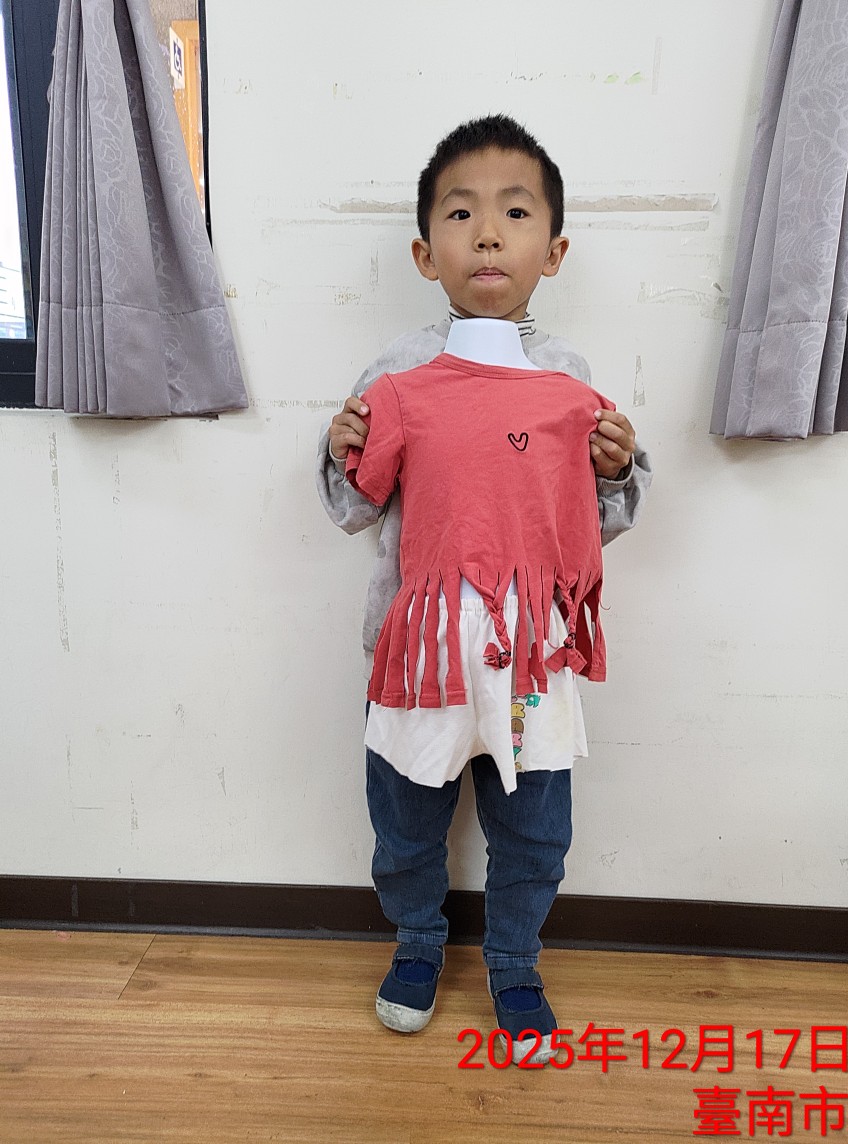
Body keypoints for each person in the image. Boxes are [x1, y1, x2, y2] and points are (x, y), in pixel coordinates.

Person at [315, 114, 653, 1065]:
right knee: (404, 821)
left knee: (534, 828)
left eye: (516, 213)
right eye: (462, 214)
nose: (490, 235)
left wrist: (616, 469)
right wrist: (342, 448)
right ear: (428, 253)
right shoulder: (397, 375)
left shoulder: (570, 381)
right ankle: (418, 942)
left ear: (554, 249)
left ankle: (514, 961)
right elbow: (352, 508)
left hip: (532, 652)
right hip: (416, 651)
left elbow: (595, 526)